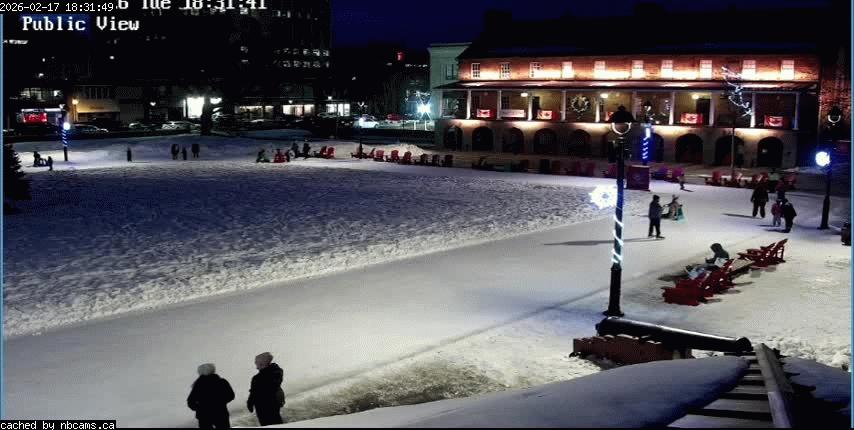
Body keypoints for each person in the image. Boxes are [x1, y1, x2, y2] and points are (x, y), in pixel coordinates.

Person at [187, 363, 235, 429]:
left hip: (203, 416)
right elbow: (231, 395)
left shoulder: (198, 385)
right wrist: (220, 403)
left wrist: (200, 408)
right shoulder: (222, 382)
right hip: (220, 413)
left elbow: (190, 401)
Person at [247, 352, 285, 426]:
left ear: (262, 363)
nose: (256, 365)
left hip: (268, 404)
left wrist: (250, 402)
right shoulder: (259, 377)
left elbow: (256, 391)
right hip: (266, 404)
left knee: (272, 423)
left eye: (257, 362)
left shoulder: (272, 373)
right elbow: (254, 392)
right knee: (272, 422)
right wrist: (250, 402)